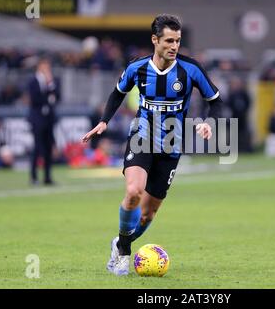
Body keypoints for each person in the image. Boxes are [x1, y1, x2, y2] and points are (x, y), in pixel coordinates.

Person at [82, 14, 224, 276]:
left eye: (178, 41)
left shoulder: (190, 69)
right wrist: (104, 122)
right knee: (134, 192)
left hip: (171, 145)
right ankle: (124, 254)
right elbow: (117, 93)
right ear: (155, 40)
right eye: (169, 40)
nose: (174, 46)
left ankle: (120, 243)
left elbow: (215, 100)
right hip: (141, 137)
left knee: (147, 215)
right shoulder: (137, 67)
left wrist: (208, 123)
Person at [27, 58, 61, 185]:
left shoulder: (53, 81)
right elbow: (35, 99)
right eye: (44, 66)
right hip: (37, 119)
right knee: (37, 147)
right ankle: (33, 177)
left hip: (49, 119)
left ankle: (47, 177)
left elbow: (57, 96)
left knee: (48, 148)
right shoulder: (33, 81)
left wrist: (50, 84)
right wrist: (48, 93)